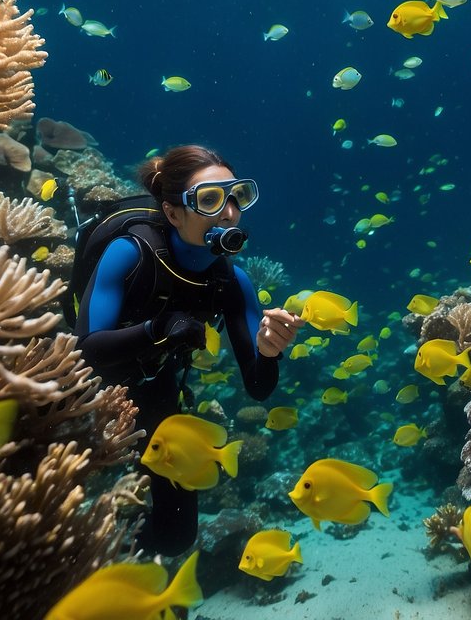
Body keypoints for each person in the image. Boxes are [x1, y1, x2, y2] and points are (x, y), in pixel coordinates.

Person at [74, 145, 304, 555]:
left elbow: (258, 388)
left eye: (237, 197)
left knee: (176, 535)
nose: (229, 212)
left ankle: (121, 568)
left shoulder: (232, 282)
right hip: (79, 389)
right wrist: (159, 329)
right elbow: (88, 350)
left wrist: (268, 351)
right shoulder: (131, 252)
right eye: (211, 199)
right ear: (173, 213)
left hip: (155, 388)